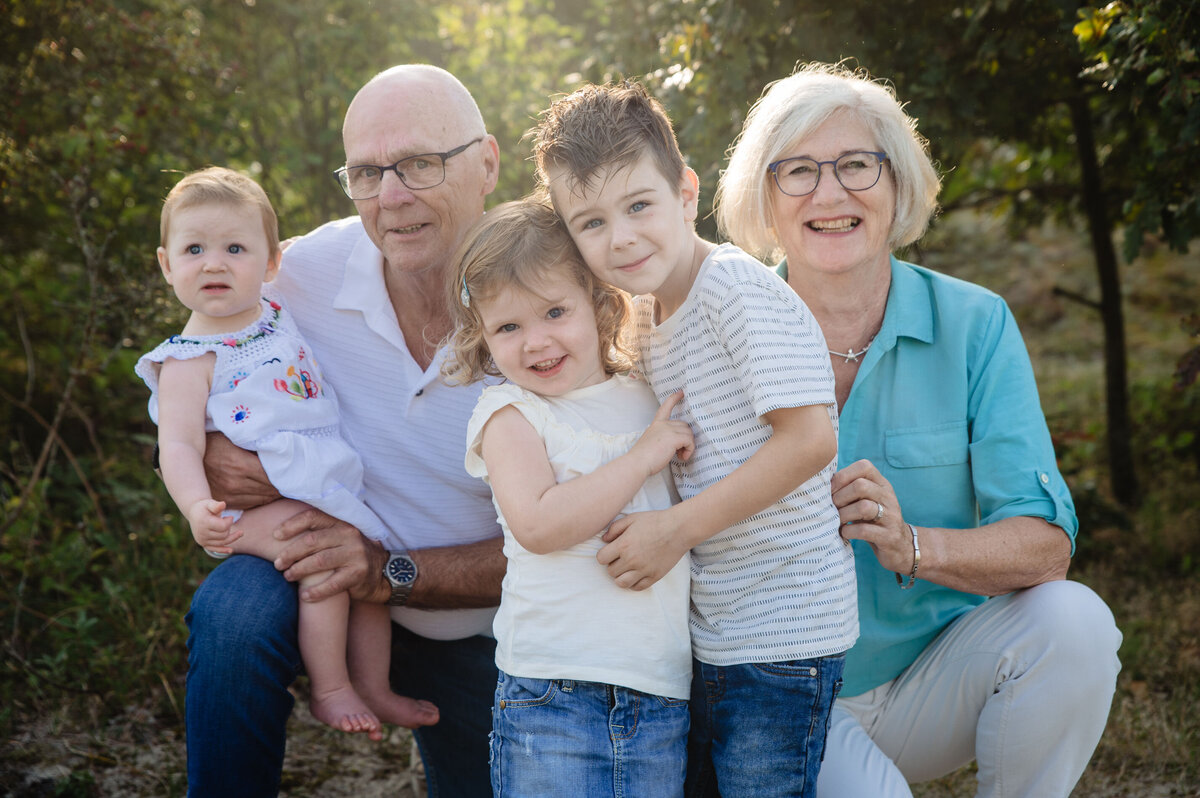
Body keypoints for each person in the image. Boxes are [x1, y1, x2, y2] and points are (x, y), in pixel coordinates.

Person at [715, 61, 1123, 797]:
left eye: (856, 166)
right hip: (785, 694)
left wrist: (911, 546)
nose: (830, 193)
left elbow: (1045, 544)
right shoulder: (719, 339)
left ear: (897, 185)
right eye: (798, 171)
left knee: (1076, 625)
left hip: (938, 675)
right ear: (765, 203)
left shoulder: (975, 324)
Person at [181, 65, 507, 797]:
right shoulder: (305, 272)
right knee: (233, 613)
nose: (391, 198)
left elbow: (576, 537)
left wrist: (386, 572)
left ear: (486, 163)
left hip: (490, 627)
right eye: (366, 173)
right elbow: (196, 352)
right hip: (331, 592)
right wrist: (208, 449)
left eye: (421, 164)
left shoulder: (544, 302)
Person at [532, 81, 859, 797]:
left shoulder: (733, 290)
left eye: (638, 206)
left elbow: (807, 442)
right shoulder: (647, 316)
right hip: (717, 627)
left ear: (685, 191)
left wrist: (672, 531)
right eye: (590, 222)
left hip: (782, 631)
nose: (619, 237)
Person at [137, 166, 439, 742]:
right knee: (323, 558)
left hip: (324, 482)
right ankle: (331, 689)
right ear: (166, 264)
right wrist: (197, 506)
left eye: (235, 248)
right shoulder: (187, 361)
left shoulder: (277, 314)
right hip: (253, 511)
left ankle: (374, 685)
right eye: (194, 248)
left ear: (272, 264)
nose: (215, 262)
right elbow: (177, 444)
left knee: (367, 562)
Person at [443, 198, 695, 795]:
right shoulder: (511, 414)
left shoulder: (645, 394)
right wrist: (641, 458)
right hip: (551, 691)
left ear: (601, 305)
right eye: (508, 326)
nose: (536, 342)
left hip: (658, 688)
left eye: (555, 312)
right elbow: (538, 523)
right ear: (482, 335)